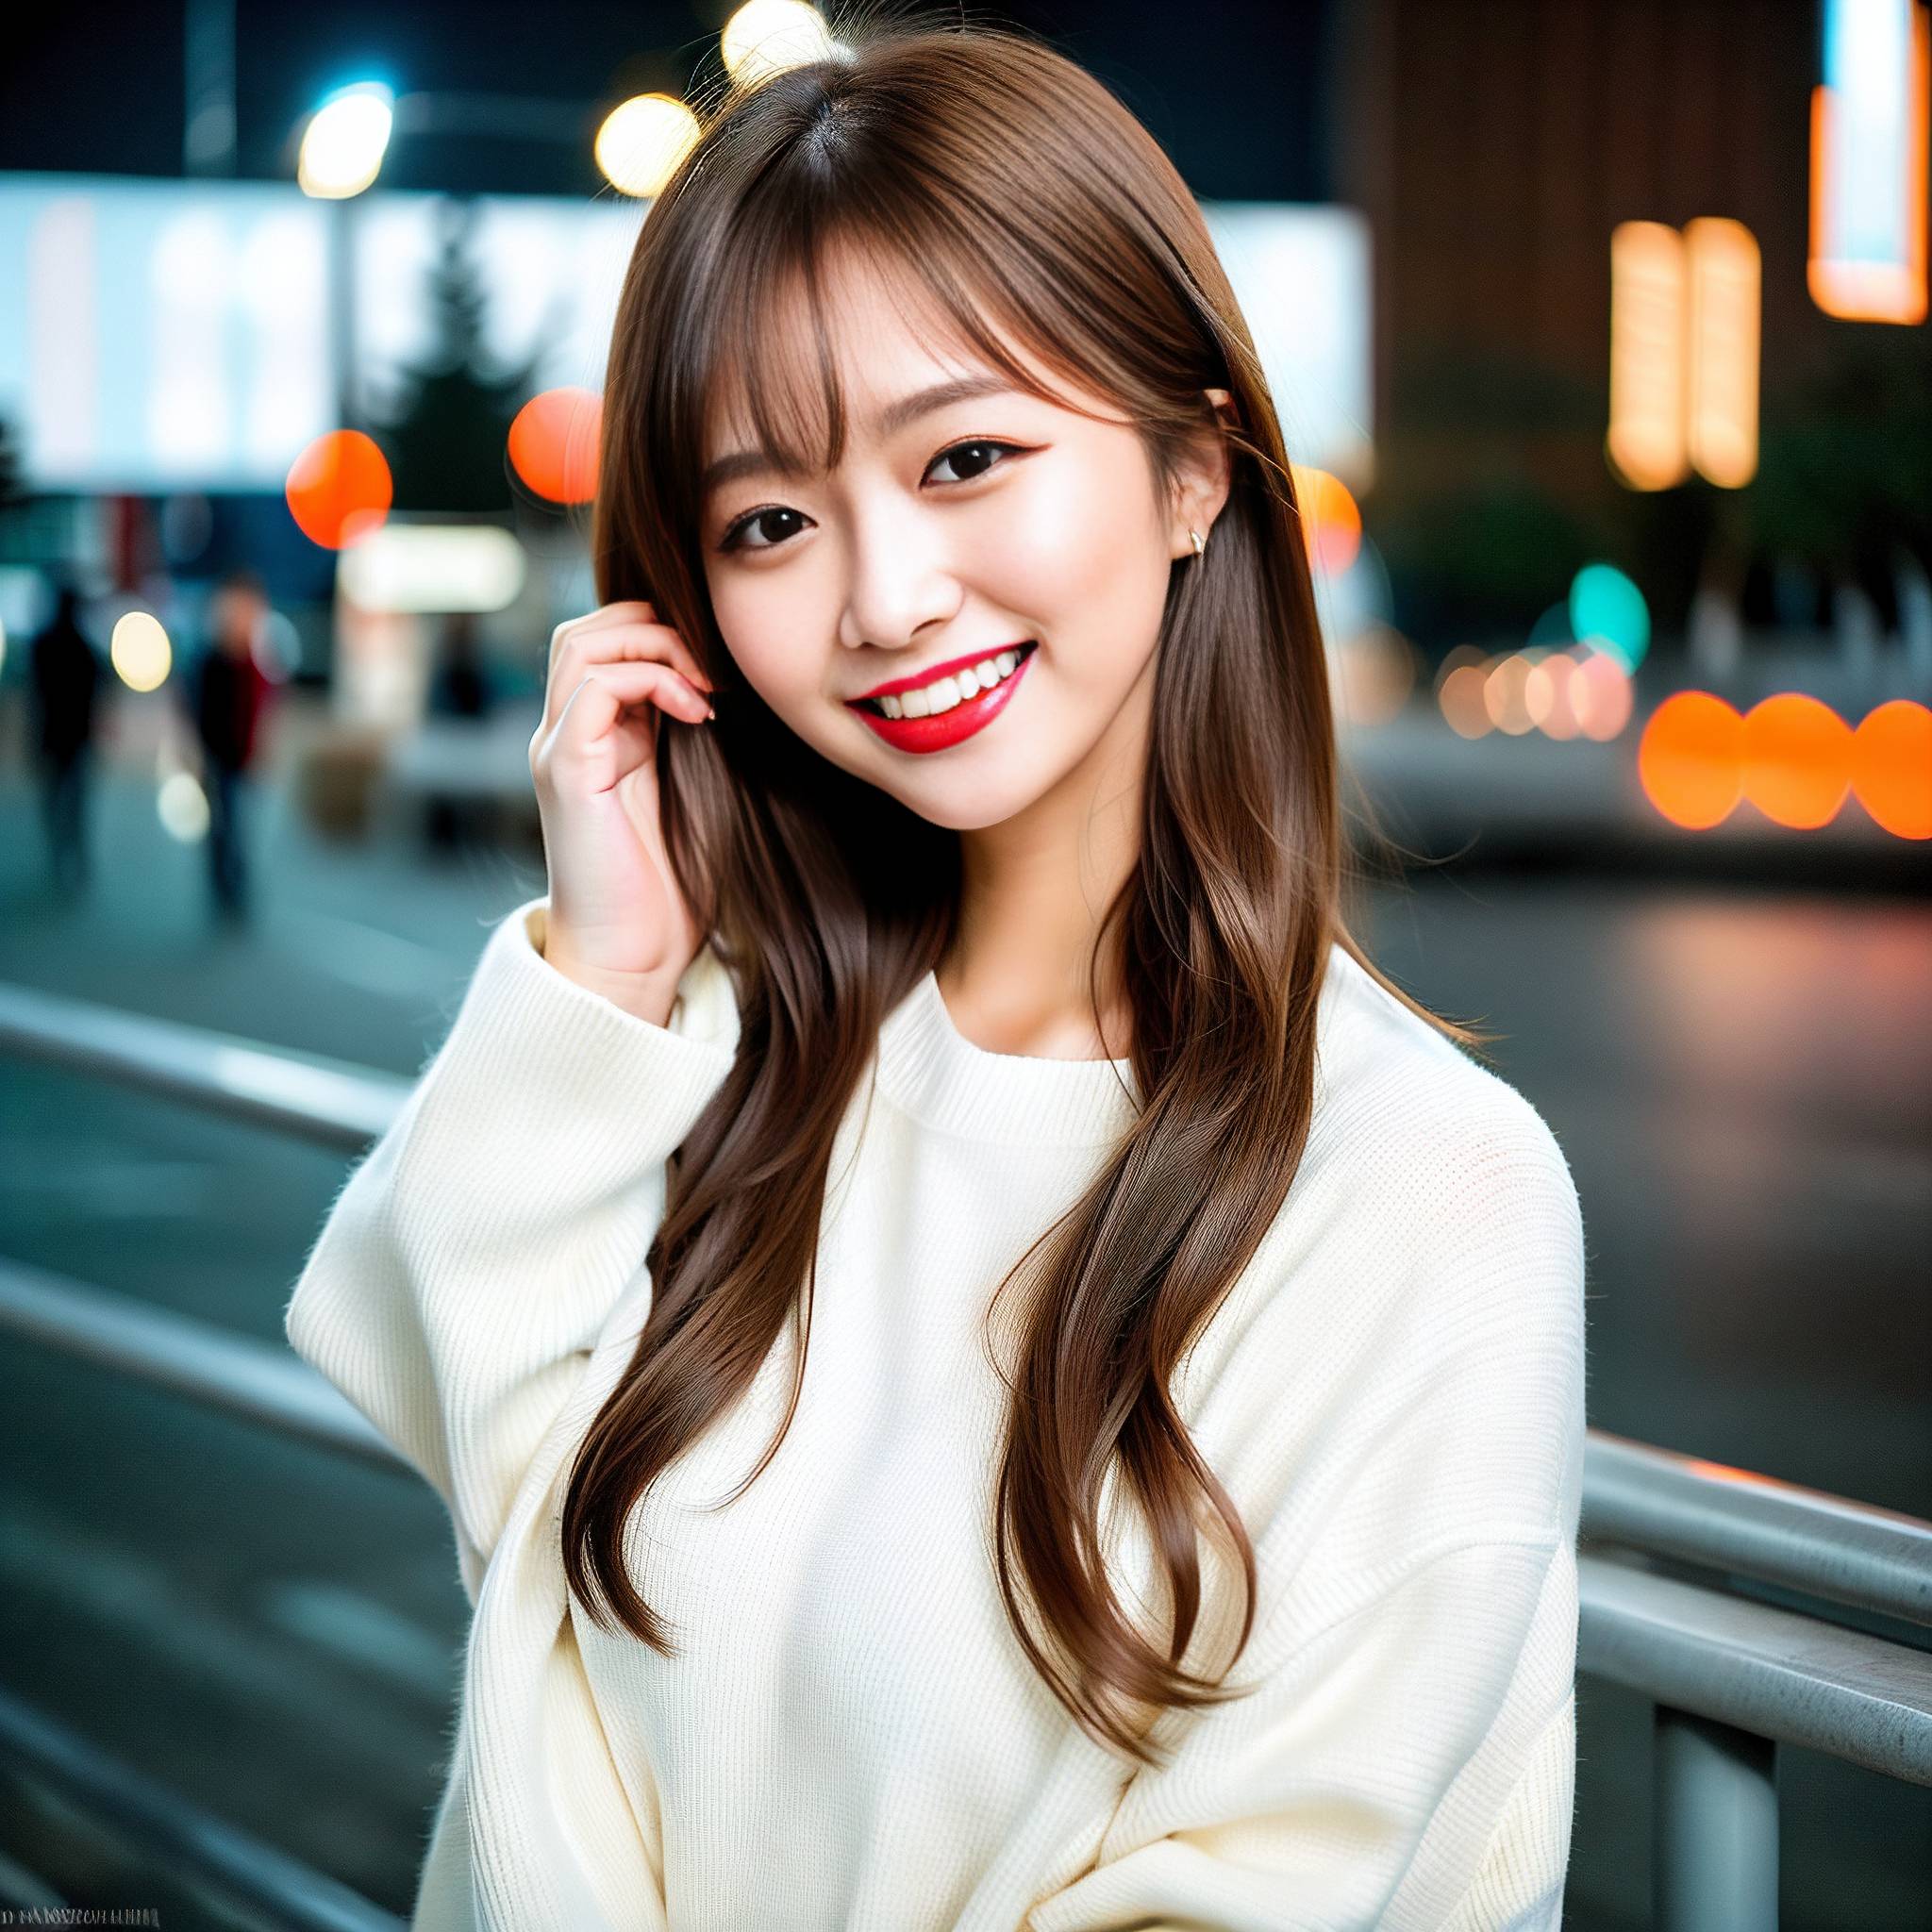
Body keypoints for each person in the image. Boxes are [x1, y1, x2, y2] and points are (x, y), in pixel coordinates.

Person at [286, 21, 1586, 1931]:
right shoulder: (737, 1049)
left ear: (1193, 471)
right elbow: (492, 1455)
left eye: (965, 454)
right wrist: (608, 962)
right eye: (771, 522)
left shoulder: (1418, 1188)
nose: (883, 594)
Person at [189, 570, 272, 921]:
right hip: (217, 754)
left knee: (236, 825)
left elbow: (261, 710)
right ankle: (225, 888)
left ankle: (234, 889)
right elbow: (198, 708)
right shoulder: (213, 661)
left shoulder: (250, 663)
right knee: (223, 826)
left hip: (238, 756)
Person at [27, 582, 102, 894]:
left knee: (55, 799)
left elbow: (35, 694)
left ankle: (62, 855)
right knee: (76, 803)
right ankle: (77, 859)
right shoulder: (85, 647)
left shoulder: (44, 644)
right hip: (77, 737)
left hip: (52, 735)